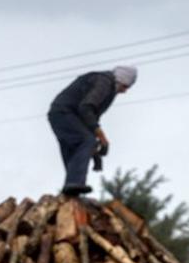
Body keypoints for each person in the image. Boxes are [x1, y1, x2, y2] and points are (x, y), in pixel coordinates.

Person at [47, 65, 137, 196]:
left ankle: (71, 191)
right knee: (86, 140)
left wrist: (93, 149)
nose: (125, 91)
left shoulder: (107, 84)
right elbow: (86, 108)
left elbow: (88, 120)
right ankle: (74, 183)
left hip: (61, 115)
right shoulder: (105, 82)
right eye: (126, 86)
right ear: (121, 80)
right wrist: (101, 137)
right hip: (65, 113)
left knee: (75, 148)